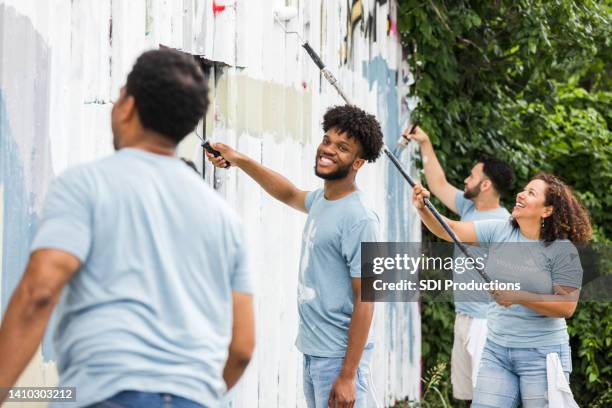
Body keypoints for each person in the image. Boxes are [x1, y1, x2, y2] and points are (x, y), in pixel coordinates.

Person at [0, 49, 255, 408]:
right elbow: (242, 347)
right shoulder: (226, 220)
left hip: (104, 394)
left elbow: (39, 292)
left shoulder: (85, 186)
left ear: (127, 106)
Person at [207, 105, 384, 408]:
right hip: (315, 351)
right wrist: (239, 160)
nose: (328, 150)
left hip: (338, 358)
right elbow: (288, 193)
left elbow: (369, 298)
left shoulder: (362, 218)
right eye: (327, 140)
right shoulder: (322, 200)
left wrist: (348, 374)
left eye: (342, 148)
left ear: (358, 163)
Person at [412, 172, 591, 408]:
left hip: (542, 354)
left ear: (547, 211)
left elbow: (566, 306)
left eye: (531, 193)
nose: (521, 194)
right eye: (524, 189)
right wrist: (423, 209)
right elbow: (450, 230)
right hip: (497, 351)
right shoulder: (500, 230)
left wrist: (517, 296)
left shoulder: (561, 250)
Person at [402, 126, 514, 401]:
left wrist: (424, 209)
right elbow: (438, 184)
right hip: (464, 317)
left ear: (485, 185)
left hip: (486, 324)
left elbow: (444, 229)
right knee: (469, 396)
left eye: (472, 176)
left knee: (489, 398)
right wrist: (425, 142)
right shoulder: (469, 209)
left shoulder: (502, 223)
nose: (465, 179)